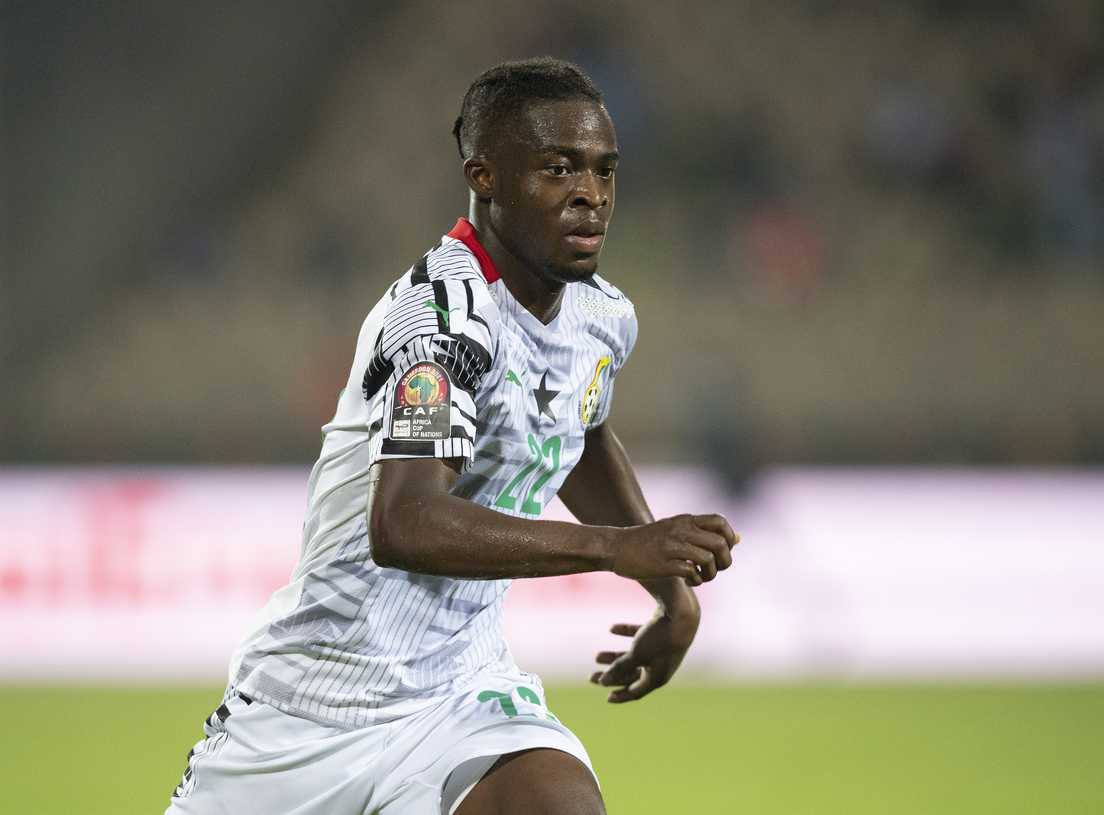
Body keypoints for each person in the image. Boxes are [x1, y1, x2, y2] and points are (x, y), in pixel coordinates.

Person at [167, 56, 738, 815]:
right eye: (558, 168)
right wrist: (612, 549)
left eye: (604, 171)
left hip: (458, 691)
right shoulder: (441, 320)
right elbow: (403, 522)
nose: (590, 195)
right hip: (306, 713)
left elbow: (579, 431)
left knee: (560, 802)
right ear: (485, 176)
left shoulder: (602, 316)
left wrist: (672, 594)